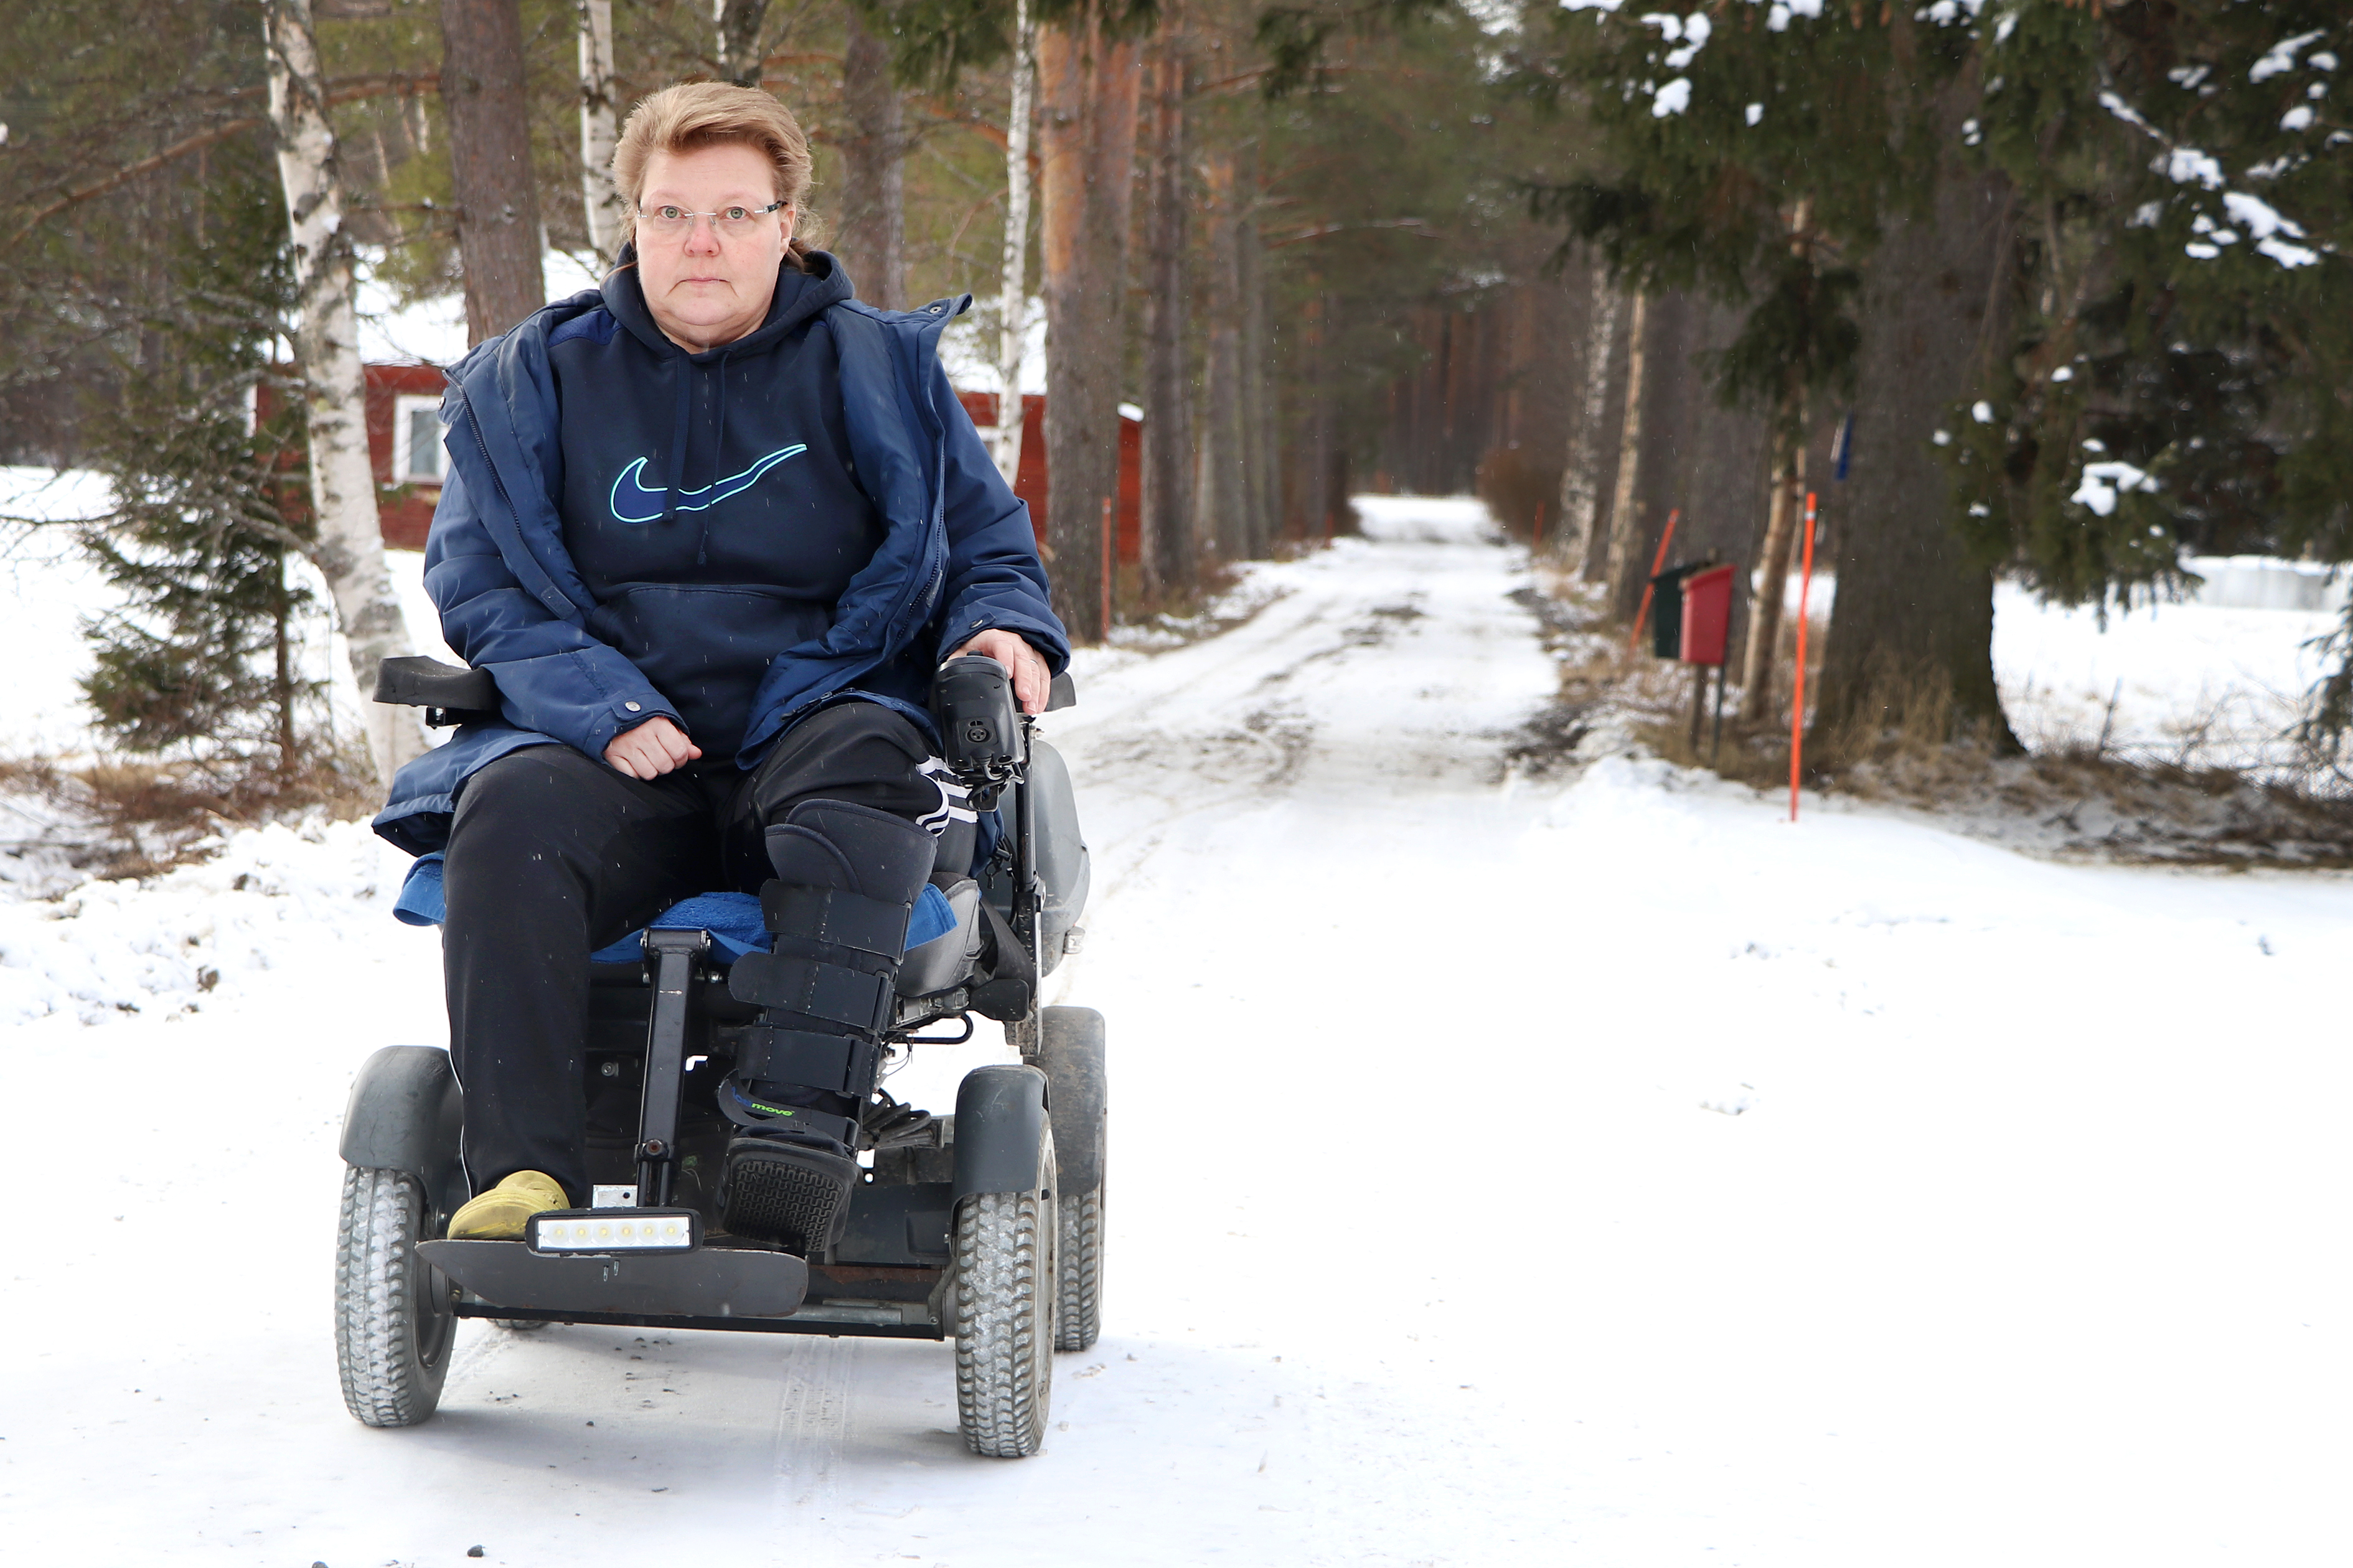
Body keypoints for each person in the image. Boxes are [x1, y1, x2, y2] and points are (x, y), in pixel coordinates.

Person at [371, 82, 1068, 1256]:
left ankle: (793, 1139)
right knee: (505, 812)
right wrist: (603, 709)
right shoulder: (531, 382)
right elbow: (481, 588)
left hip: (820, 717)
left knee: (871, 777)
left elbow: (990, 548)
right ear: (632, 223)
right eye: (671, 213)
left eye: (736, 214)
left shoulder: (879, 374)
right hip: (616, 749)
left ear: (785, 223)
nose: (702, 242)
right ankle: (526, 1175)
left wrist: (1004, 631)